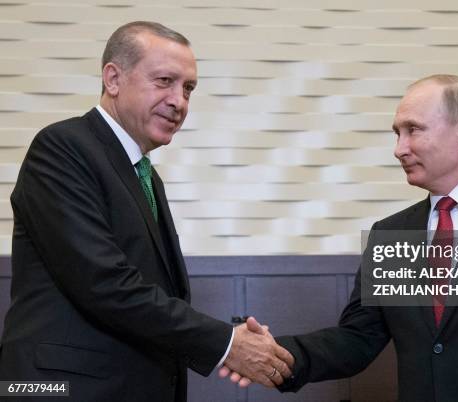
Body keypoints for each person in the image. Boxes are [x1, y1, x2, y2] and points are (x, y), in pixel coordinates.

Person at [221, 74, 458, 401]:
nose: (399, 149)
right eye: (396, 133)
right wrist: (278, 355)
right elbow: (356, 339)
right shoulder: (392, 234)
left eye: (413, 131)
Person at [0, 21, 293, 402]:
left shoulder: (146, 176)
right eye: (165, 81)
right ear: (113, 79)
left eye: (188, 88)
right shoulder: (62, 148)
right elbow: (104, 283)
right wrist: (226, 344)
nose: (179, 101)